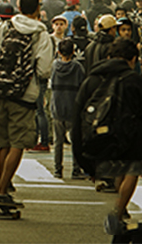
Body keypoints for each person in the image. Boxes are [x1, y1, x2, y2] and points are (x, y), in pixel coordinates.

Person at [73, 39, 142, 236]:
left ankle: (120, 209)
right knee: (131, 169)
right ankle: (119, 209)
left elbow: (77, 116)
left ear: (109, 57)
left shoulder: (92, 80)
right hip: (132, 136)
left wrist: (83, 157)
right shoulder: (137, 81)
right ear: (133, 60)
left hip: (100, 137)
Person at [0, 0, 54, 208]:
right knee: (17, 143)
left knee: (2, 143)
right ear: (37, 9)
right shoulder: (41, 34)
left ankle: (2, 183)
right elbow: (43, 70)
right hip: (24, 96)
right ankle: (3, 190)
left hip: (0, 92)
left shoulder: (5, 27)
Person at [50, 38, 85, 180]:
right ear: (73, 52)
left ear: (58, 52)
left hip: (57, 106)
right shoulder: (77, 67)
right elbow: (82, 86)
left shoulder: (54, 66)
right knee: (75, 140)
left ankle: (58, 169)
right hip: (73, 106)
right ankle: (76, 169)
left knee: (58, 141)